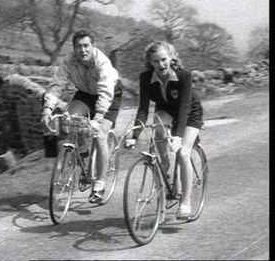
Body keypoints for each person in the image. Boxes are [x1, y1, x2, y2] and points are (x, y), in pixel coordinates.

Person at [41, 30, 122, 204]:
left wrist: (99, 116)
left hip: (110, 96)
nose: (82, 50)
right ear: (74, 48)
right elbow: (57, 84)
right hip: (85, 93)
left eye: (86, 45)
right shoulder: (69, 61)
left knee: (100, 135)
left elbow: (106, 92)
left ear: (93, 47)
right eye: (79, 46)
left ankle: (99, 185)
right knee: (70, 118)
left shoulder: (103, 63)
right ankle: (83, 154)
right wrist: (48, 108)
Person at [125, 41, 203, 219]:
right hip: (166, 109)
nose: (160, 65)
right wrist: (134, 135)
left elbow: (184, 107)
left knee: (183, 153)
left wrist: (177, 136)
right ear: (149, 62)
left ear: (171, 58)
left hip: (190, 112)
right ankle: (165, 164)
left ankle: (185, 202)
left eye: (163, 59)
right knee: (157, 127)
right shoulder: (146, 77)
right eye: (155, 61)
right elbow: (143, 108)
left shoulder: (184, 76)